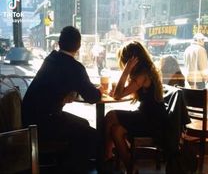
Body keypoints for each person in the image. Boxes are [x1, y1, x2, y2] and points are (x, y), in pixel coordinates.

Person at [21, 26, 103, 173]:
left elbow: (54, 85)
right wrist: (100, 90)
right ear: (78, 46)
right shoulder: (74, 67)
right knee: (92, 135)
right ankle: (74, 168)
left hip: (29, 118)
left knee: (83, 124)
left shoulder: (51, 59)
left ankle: (65, 163)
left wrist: (69, 93)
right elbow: (93, 97)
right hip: (45, 122)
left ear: (59, 43)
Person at [104, 41, 168, 173]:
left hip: (151, 121)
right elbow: (122, 93)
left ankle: (106, 156)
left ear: (131, 59)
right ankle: (130, 168)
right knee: (116, 130)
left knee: (110, 116)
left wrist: (127, 69)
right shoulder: (147, 70)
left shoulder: (143, 74)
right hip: (151, 117)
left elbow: (117, 96)